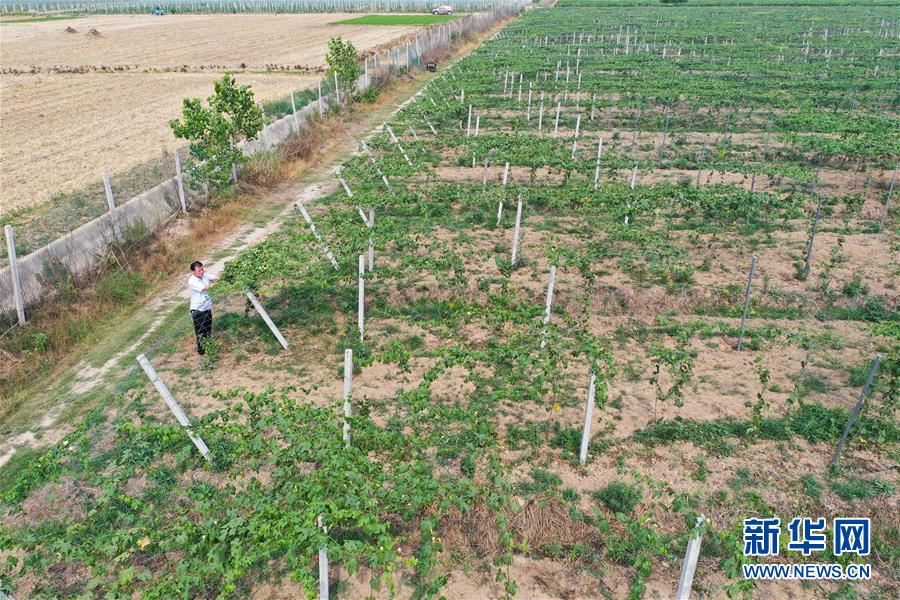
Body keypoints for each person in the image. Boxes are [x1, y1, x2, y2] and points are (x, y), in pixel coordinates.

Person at [188, 261, 215, 355]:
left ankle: (209, 347)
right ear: (193, 272)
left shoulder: (205, 275)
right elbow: (205, 288)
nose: (202, 272)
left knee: (208, 329)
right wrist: (217, 285)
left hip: (207, 308)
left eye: (202, 269)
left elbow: (216, 278)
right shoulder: (192, 281)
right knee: (200, 332)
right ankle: (202, 352)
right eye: (199, 270)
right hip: (198, 310)